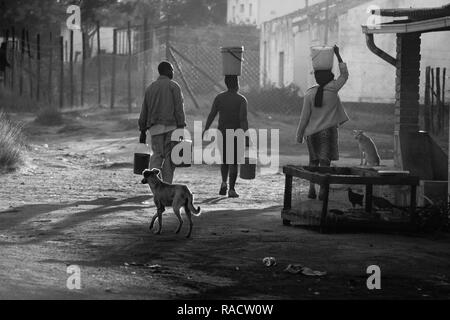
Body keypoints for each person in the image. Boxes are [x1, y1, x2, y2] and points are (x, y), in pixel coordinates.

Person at [296, 45, 349, 200]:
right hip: (328, 132)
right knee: (325, 164)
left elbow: (304, 118)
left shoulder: (309, 94)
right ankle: (322, 192)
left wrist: (299, 135)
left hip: (311, 134)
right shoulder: (334, 88)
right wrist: (338, 56)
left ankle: (311, 189)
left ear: (317, 78)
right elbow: (344, 75)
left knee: (313, 162)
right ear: (329, 76)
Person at [138, 61, 187, 184]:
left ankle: (154, 184)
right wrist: (181, 127)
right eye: (171, 70)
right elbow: (179, 109)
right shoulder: (174, 86)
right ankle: (167, 185)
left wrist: (142, 130)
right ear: (166, 71)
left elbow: (144, 110)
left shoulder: (151, 88)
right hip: (171, 128)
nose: (173, 72)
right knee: (170, 158)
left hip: (155, 129)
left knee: (157, 156)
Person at [204, 75, 249, 198]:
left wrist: (206, 128)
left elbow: (212, 114)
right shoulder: (241, 100)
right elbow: (243, 119)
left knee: (224, 160)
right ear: (237, 84)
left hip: (222, 133)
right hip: (235, 133)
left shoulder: (219, 97)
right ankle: (232, 189)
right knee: (233, 161)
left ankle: (224, 183)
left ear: (226, 84)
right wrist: (246, 135)